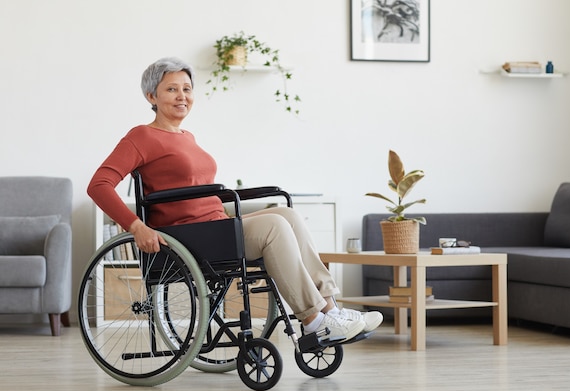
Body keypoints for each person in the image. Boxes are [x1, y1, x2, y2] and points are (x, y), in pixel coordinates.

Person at [87, 57, 382, 342]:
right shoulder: (141, 137)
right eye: (172, 89)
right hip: (188, 236)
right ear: (151, 95)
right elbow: (99, 185)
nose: (182, 96)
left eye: (187, 89)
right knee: (274, 227)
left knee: (288, 215)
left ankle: (331, 309)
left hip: (214, 227)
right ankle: (315, 321)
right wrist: (137, 227)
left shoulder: (187, 137)